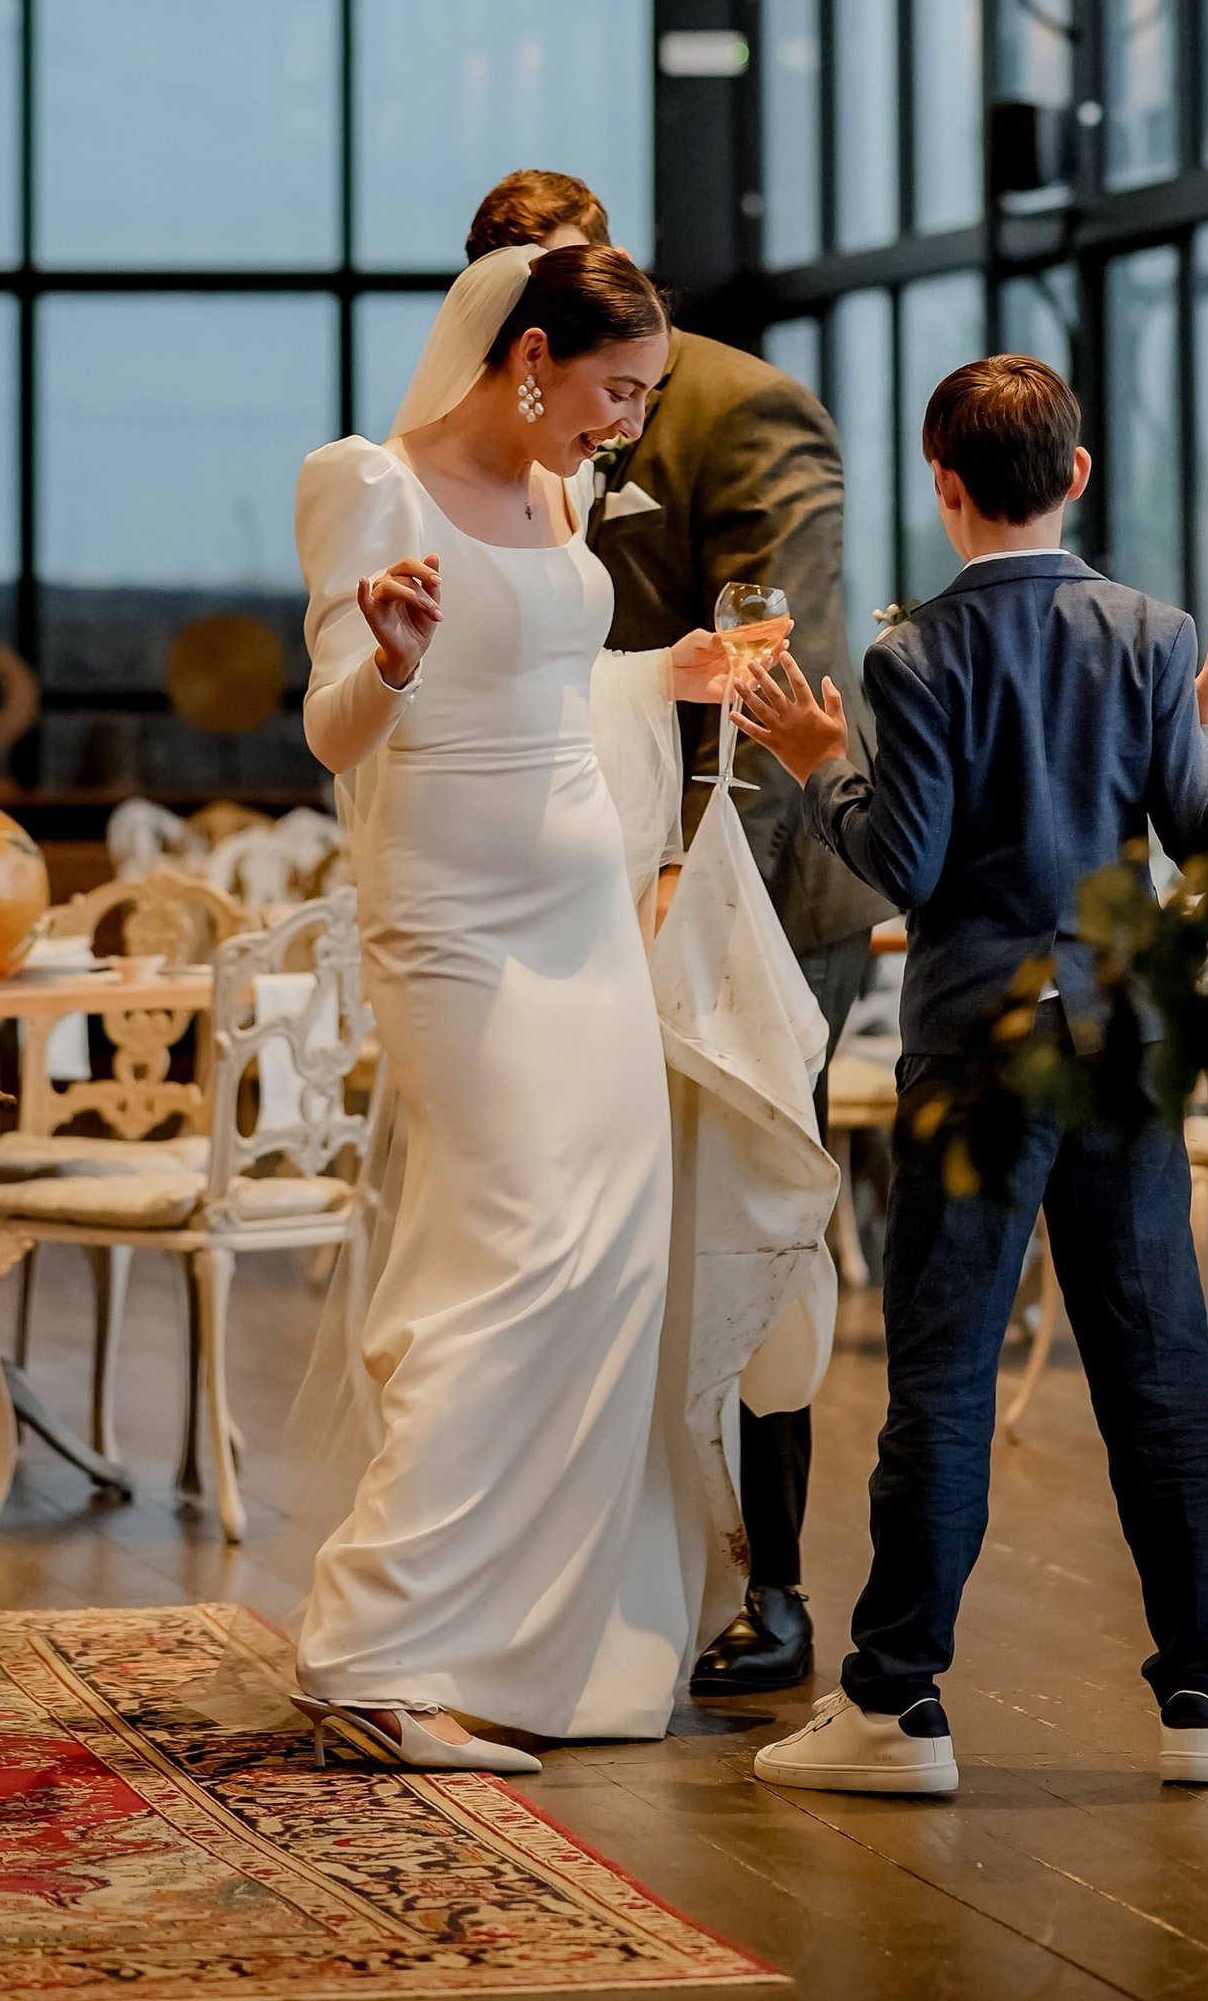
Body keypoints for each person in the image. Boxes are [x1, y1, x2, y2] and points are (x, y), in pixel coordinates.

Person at [734, 349, 1208, 1799]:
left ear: (945, 487)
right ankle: (1203, 1706)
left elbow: (898, 861)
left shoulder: (913, 656)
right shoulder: (1159, 637)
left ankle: (897, 1709)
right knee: (1159, 1371)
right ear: (1079, 477)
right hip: (1119, 1043)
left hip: (977, 1044)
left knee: (946, 1377)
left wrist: (815, 757)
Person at [290, 242, 746, 1770]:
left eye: (648, 398)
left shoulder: (559, 489)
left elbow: (554, 677)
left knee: (612, 1253)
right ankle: (370, 1643)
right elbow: (335, 732)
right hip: (456, 926)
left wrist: (661, 675)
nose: (626, 425)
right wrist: (395, 667)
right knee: (512, 1257)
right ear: (533, 354)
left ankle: (515, 1651)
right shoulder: (367, 483)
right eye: (618, 390)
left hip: (582, 921)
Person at [461, 168, 885, 1697]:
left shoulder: (740, 410)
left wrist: (685, 876)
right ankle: (598, 1550)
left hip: (737, 892)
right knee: (573, 1229)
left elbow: (782, 675)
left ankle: (768, 1586)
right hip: (552, 892)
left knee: (743, 1221)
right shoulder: (487, 427)